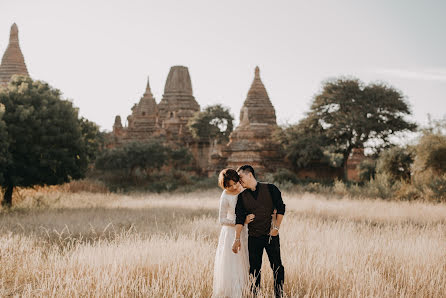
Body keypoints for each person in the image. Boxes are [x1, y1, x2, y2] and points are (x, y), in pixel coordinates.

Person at [232, 165, 285, 298]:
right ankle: (255, 295)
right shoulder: (241, 197)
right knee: (254, 270)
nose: (239, 181)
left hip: (270, 236)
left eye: (241, 177)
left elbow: (281, 208)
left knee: (277, 267)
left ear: (250, 175)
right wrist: (237, 239)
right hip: (253, 237)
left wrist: (276, 228)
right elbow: (238, 219)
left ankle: (279, 295)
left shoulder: (271, 188)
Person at [212, 168, 255, 298]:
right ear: (225, 186)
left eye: (235, 183)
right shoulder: (225, 196)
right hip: (230, 233)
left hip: (245, 232)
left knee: (246, 261)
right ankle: (233, 293)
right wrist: (241, 221)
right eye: (230, 186)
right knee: (232, 264)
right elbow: (222, 220)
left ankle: (245, 291)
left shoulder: (243, 189)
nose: (234, 187)